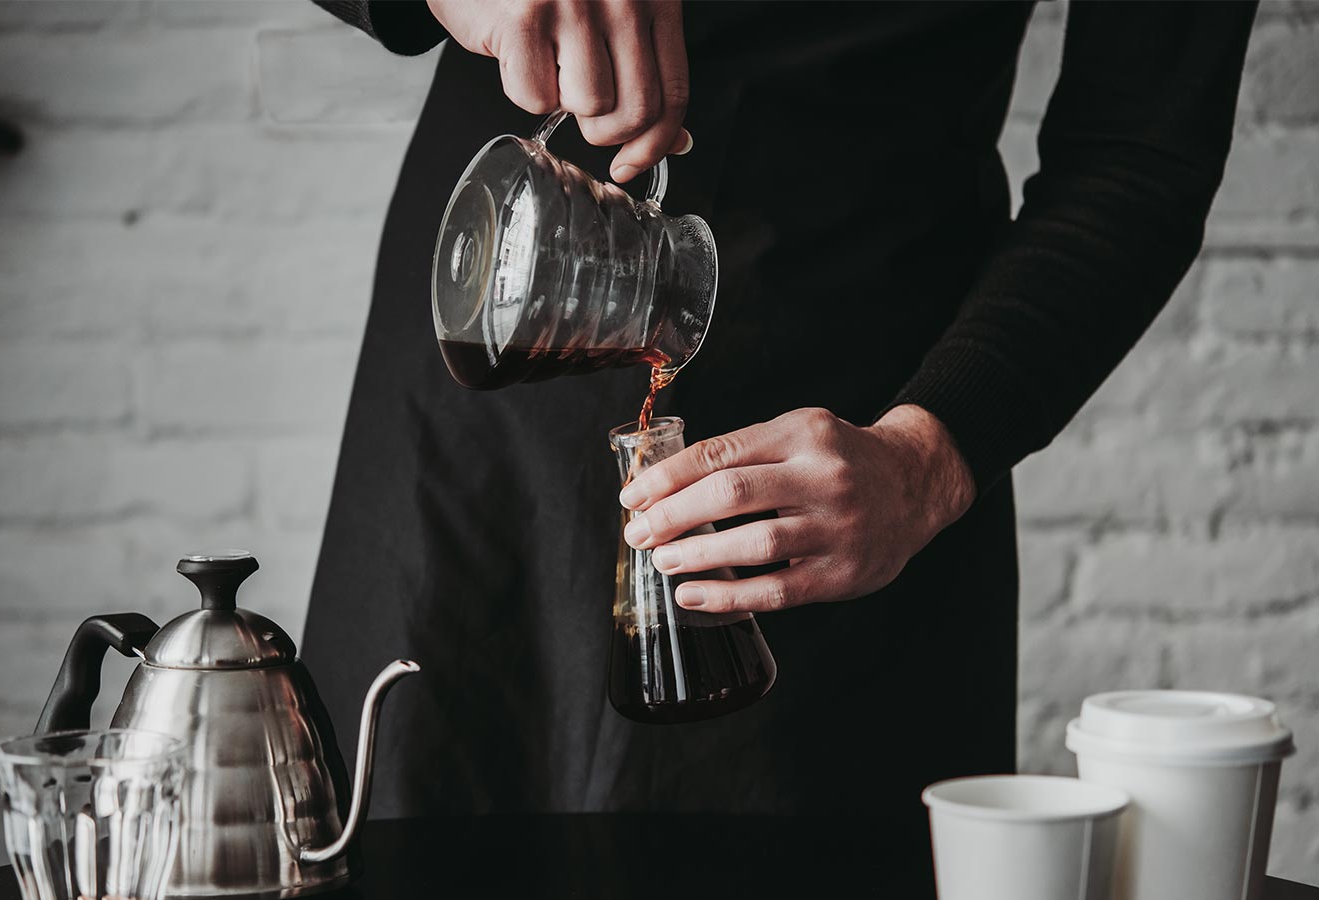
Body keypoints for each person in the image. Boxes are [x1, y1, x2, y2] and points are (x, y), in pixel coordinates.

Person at [304, 0, 1256, 890]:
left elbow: (1140, 147)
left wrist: (929, 458)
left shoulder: (896, 464)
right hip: (487, 371)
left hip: (857, 457)